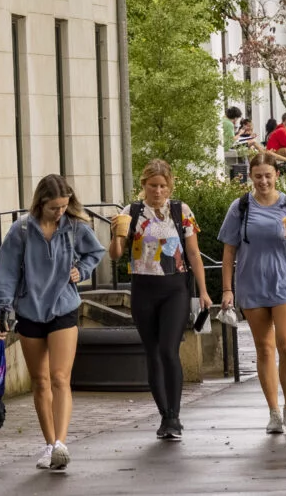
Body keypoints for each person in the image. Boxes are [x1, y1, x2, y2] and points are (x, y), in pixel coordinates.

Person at [0, 172, 107, 471]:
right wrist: (2, 311)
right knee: (40, 381)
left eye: (64, 206)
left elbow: (96, 251)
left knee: (59, 378)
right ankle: (48, 444)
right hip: (29, 310)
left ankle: (61, 444)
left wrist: (81, 270)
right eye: (54, 207)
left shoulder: (73, 227)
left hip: (63, 307)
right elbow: (6, 272)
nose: (60, 212)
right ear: (41, 203)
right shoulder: (20, 230)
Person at [114, 158, 213, 441]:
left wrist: (204, 292)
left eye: (162, 186)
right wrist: (116, 235)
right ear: (143, 185)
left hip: (174, 288)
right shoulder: (131, 212)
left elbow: (193, 254)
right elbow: (116, 255)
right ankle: (164, 415)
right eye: (152, 186)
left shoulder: (181, 211)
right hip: (143, 288)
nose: (157, 191)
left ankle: (175, 416)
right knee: (153, 352)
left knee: (169, 349)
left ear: (170, 186)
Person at [220, 154, 286, 436]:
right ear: (251, 176)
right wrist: (227, 289)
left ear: (276, 176)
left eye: (268, 176)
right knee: (264, 348)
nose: (263, 181)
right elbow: (229, 251)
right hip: (252, 282)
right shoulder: (240, 207)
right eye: (258, 176)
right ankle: (274, 413)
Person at [226, 105, 256, 183]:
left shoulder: (224, 121)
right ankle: (255, 166)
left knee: (251, 146)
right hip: (230, 146)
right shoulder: (229, 124)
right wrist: (240, 133)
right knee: (253, 142)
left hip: (230, 145)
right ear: (235, 117)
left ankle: (253, 168)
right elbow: (233, 140)